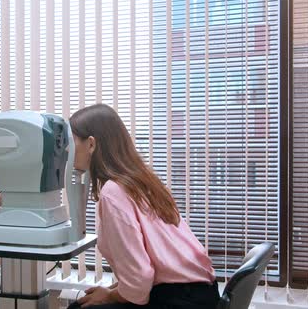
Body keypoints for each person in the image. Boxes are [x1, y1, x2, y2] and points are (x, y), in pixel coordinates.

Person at [70, 104, 220, 309]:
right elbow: (148, 270)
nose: (68, 150)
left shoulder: (113, 192)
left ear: (91, 144)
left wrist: (111, 296)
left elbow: (139, 278)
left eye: (72, 141)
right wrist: (113, 292)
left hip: (179, 300)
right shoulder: (140, 181)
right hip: (201, 294)